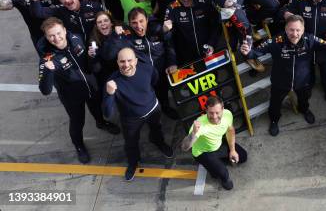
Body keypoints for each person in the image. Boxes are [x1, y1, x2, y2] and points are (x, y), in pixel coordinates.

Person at [240, 14, 326, 136]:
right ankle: (274, 120)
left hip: (303, 81)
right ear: (285, 29)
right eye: (291, 30)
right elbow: (256, 52)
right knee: (275, 104)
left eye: (298, 30)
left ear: (303, 30)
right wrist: (247, 53)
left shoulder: (310, 39)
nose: (294, 34)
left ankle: (304, 110)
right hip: (280, 82)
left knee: (304, 99)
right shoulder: (275, 41)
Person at [38, 17, 120, 164]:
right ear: (46, 37)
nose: (56, 38)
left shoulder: (77, 38)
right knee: (77, 122)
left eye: (58, 33)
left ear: (64, 30)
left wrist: (91, 56)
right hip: (71, 97)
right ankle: (79, 146)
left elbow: (89, 64)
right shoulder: (47, 58)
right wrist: (48, 72)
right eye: (51, 35)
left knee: (97, 109)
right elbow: (45, 90)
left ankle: (101, 123)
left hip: (90, 86)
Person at [103, 47, 173, 181]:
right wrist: (109, 94)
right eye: (122, 61)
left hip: (153, 109)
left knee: (157, 129)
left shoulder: (147, 68)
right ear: (117, 62)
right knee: (131, 143)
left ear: (136, 61)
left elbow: (154, 80)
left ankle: (158, 142)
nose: (126, 65)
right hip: (131, 119)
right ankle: (133, 163)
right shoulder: (112, 82)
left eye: (130, 60)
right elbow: (107, 112)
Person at [181, 96, 247, 190]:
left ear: (223, 109)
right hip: (203, 152)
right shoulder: (200, 124)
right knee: (222, 174)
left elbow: (230, 130)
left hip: (217, 144)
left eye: (217, 112)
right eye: (211, 113)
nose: (215, 116)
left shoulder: (227, 114)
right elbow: (184, 147)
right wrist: (193, 133)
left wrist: (232, 150)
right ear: (206, 111)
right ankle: (215, 168)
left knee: (243, 156)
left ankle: (217, 163)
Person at [163, 0, 220, 68]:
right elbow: (168, 37)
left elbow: (216, 26)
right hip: (188, 58)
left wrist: (212, 44)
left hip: (209, 50)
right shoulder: (172, 8)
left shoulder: (204, 3)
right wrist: (164, 28)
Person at [30, 0, 103, 39]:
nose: (67, 0)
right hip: (77, 47)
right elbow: (39, 13)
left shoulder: (94, 6)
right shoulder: (60, 10)